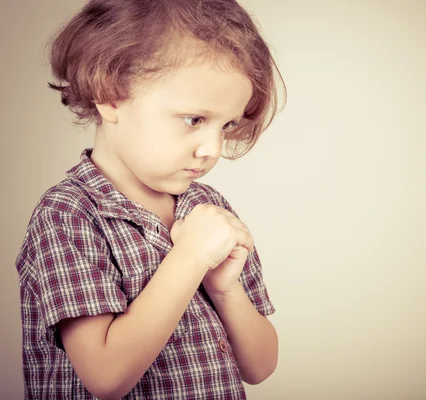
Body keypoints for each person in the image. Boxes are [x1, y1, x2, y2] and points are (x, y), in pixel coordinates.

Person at [15, 0, 285, 398]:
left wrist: (225, 289)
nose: (211, 148)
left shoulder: (209, 208)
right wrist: (190, 258)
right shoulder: (69, 215)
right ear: (109, 93)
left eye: (225, 125)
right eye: (194, 119)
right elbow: (106, 376)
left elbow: (260, 366)